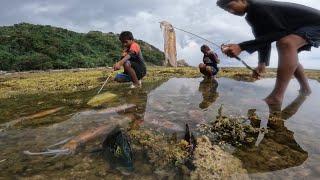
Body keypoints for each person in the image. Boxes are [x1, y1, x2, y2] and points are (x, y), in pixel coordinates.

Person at [217, 0, 320, 105]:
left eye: (230, 6)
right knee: (289, 55)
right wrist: (262, 63)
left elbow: (279, 34)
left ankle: (276, 97)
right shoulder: (251, 16)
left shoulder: (258, 7)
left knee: (286, 43)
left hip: (317, 23)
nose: (230, 11)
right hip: (300, 27)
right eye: (227, 10)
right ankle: (306, 89)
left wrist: (241, 47)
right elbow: (263, 39)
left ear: (242, 1)